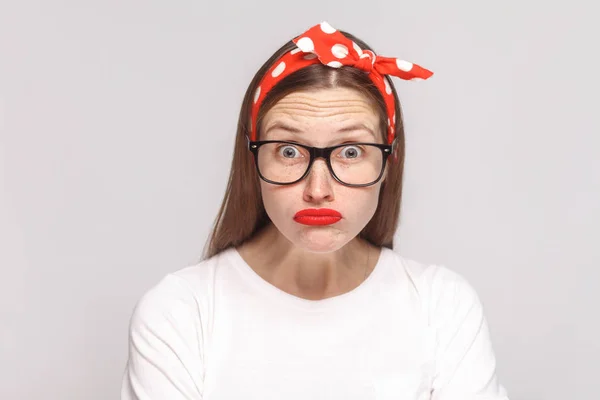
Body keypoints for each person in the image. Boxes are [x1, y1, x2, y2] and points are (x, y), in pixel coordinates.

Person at [121, 21, 509, 400]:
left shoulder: (442, 307)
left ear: (388, 162)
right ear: (252, 158)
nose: (318, 190)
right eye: (289, 151)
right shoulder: (179, 312)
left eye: (351, 151)